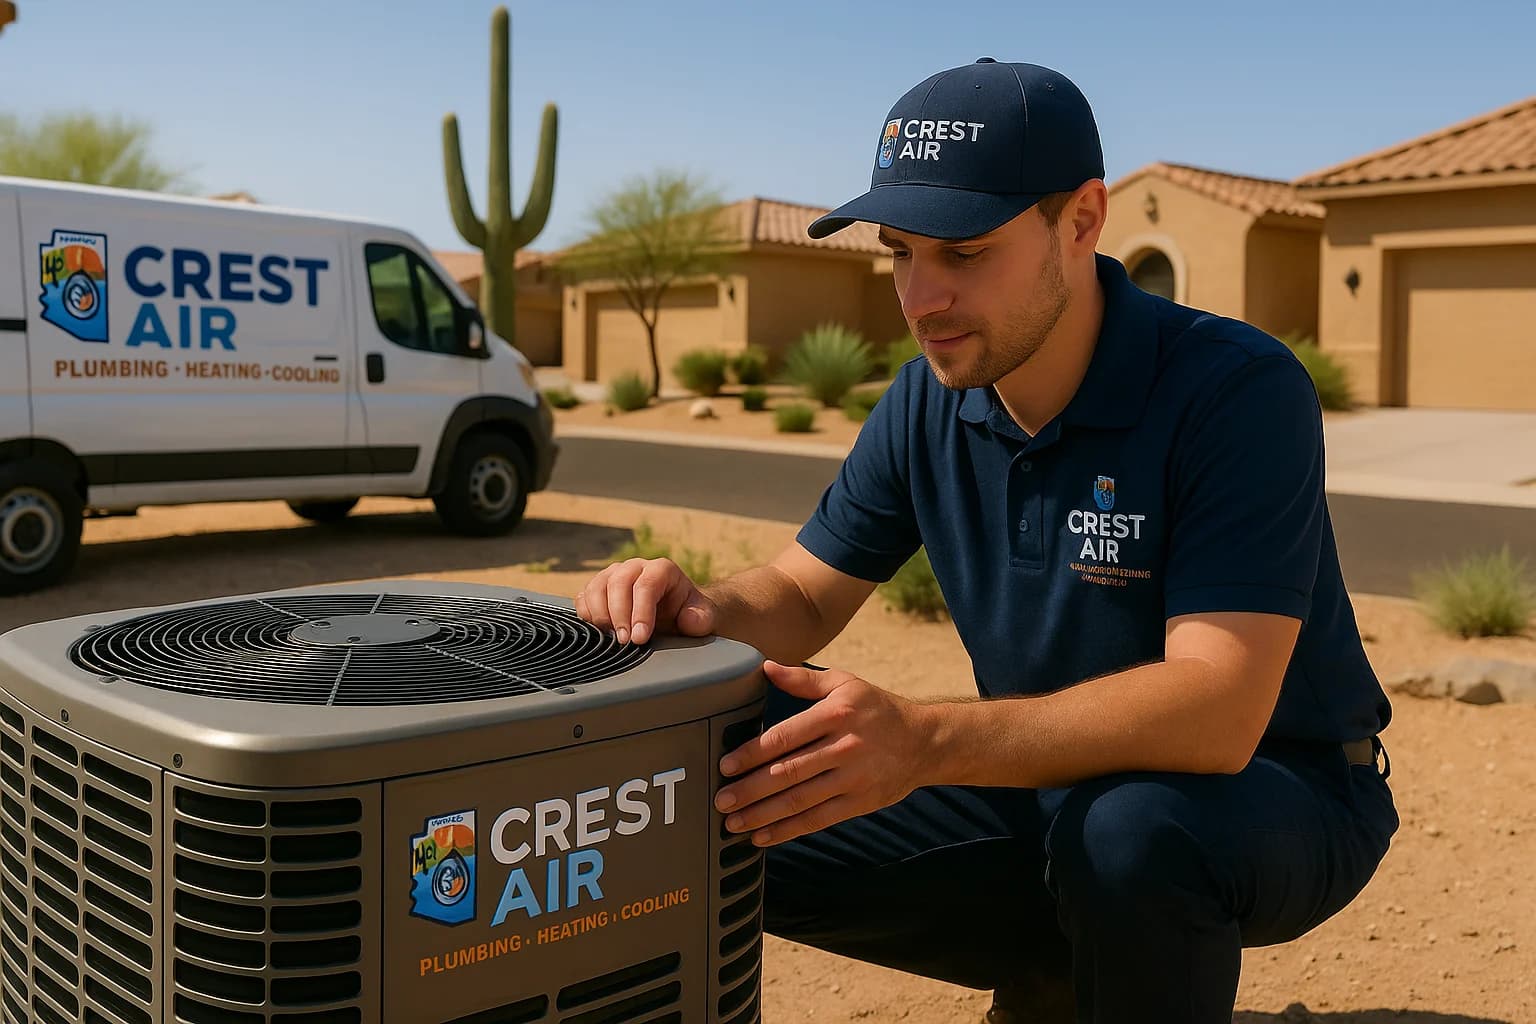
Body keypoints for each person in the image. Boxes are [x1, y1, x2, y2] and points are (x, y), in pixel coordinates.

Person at [575, 58, 1398, 1024]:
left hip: (1274, 792)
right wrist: (694, 610)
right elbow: (800, 596)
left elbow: (1217, 711)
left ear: (1081, 222)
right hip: (1038, 782)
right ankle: (1061, 967)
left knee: (1131, 833)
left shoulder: (1235, 390)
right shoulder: (927, 398)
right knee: (705, 778)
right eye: (899, 253)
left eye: (963, 253)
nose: (919, 298)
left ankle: (1090, 956)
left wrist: (923, 740)